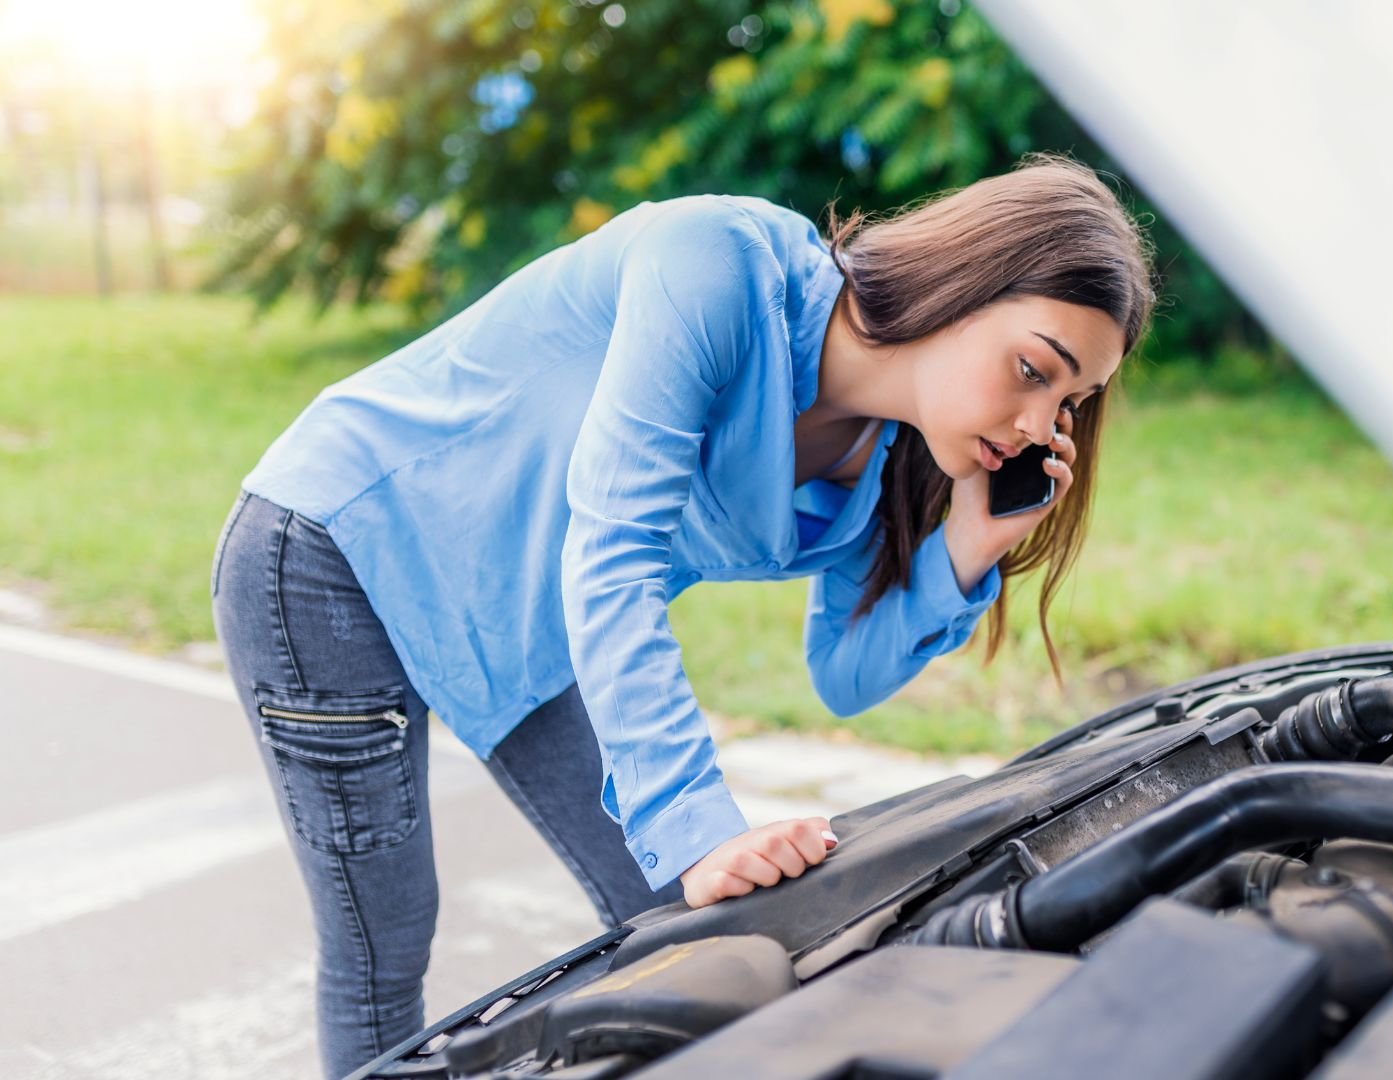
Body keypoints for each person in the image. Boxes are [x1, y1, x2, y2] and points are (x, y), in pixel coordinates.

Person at [209, 151, 1157, 1078]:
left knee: (689, 925)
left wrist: (965, 549)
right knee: (388, 939)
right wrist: (699, 829)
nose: (1042, 426)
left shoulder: (885, 462)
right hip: (338, 550)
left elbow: (843, 674)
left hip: (524, 625)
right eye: (1035, 369)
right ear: (961, 284)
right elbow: (611, 550)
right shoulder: (715, 264)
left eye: (1071, 400)